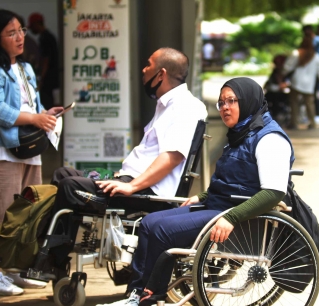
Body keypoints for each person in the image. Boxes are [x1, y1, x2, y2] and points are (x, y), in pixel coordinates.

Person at [94, 77, 294, 306]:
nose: (224, 107)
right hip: (217, 207)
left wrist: (231, 217)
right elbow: (231, 180)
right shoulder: (241, 134)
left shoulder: (270, 139)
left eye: (232, 101)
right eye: (221, 102)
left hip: (240, 219)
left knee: (163, 231)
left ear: (248, 101)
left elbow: (274, 193)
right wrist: (202, 196)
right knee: (150, 222)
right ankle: (137, 299)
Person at [49, 47, 207, 267]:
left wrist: (132, 186)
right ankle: (53, 254)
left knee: (69, 186)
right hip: (130, 179)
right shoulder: (166, 105)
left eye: (148, 64)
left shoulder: (185, 107)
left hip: (146, 192)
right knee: (63, 173)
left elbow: (172, 158)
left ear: (160, 74)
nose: (143, 69)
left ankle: (51, 262)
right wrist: (122, 176)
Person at [0, 9, 64, 296]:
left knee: (28, 212)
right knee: (0, 214)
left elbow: (29, 107)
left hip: (26, 147)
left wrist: (44, 114)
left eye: (21, 30)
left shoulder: (24, 68)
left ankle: (16, 269)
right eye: (11, 33)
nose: (20, 37)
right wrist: (34, 119)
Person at [283, 36, 319, 130]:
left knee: (294, 104)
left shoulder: (296, 53)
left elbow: (287, 67)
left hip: (296, 82)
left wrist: (282, 74)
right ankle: (312, 123)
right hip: (309, 84)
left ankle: (294, 123)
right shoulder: (316, 56)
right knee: (310, 104)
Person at [27, 13, 59, 109]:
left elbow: (46, 60)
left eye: (32, 26)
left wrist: (40, 78)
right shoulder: (48, 37)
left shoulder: (46, 38)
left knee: (47, 106)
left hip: (48, 81)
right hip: (50, 80)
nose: (31, 30)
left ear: (37, 24)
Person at [303, 25, 319, 125]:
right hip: (312, 71)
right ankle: (315, 115)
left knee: (314, 94)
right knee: (314, 94)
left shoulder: (317, 42)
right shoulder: (318, 41)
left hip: (313, 71)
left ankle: (316, 115)